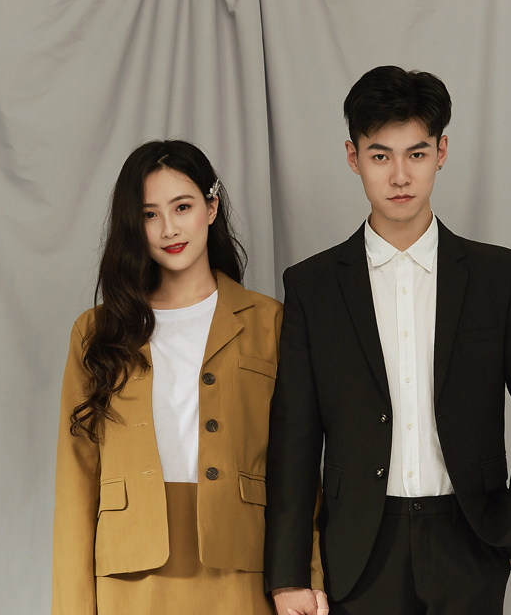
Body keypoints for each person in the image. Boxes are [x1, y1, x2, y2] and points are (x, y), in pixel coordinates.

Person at [265, 67, 511, 615]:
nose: (400, 176)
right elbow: (295, 442)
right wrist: (288, 574)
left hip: (468, 541)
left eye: (417, 154)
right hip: (359, 550)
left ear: (441, 152)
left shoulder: (498, 276)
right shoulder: (312, 286)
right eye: (380, 156)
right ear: (354, 157)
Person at [52, 139, 325, 615]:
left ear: (211, 207)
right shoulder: (96, 333)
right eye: (149, 214)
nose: (169, 229)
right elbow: (76, 480)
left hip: (241, 567)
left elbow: (297, 467)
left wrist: (305, 577)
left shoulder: (269, 322)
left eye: (182, 207)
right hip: (128, 577)